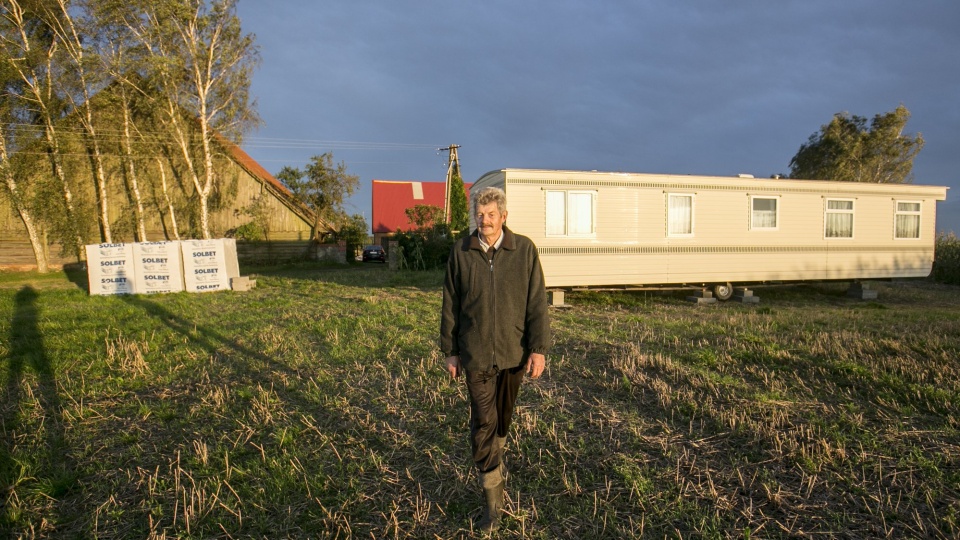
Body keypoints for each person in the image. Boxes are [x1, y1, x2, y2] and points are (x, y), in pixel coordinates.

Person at [440, 186, 551, 532]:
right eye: (480, 214)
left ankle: (495, 459)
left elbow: (536, 304)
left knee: (502, 421)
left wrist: (539, 348)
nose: (484, 220)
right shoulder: (461, 251)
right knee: (484, 425)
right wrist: (451, 351)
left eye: (491, 215)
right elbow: (451, 304)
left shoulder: (524, 251)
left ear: (504, 217)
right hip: (475, 356)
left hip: (513, 354)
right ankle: (493, 506)